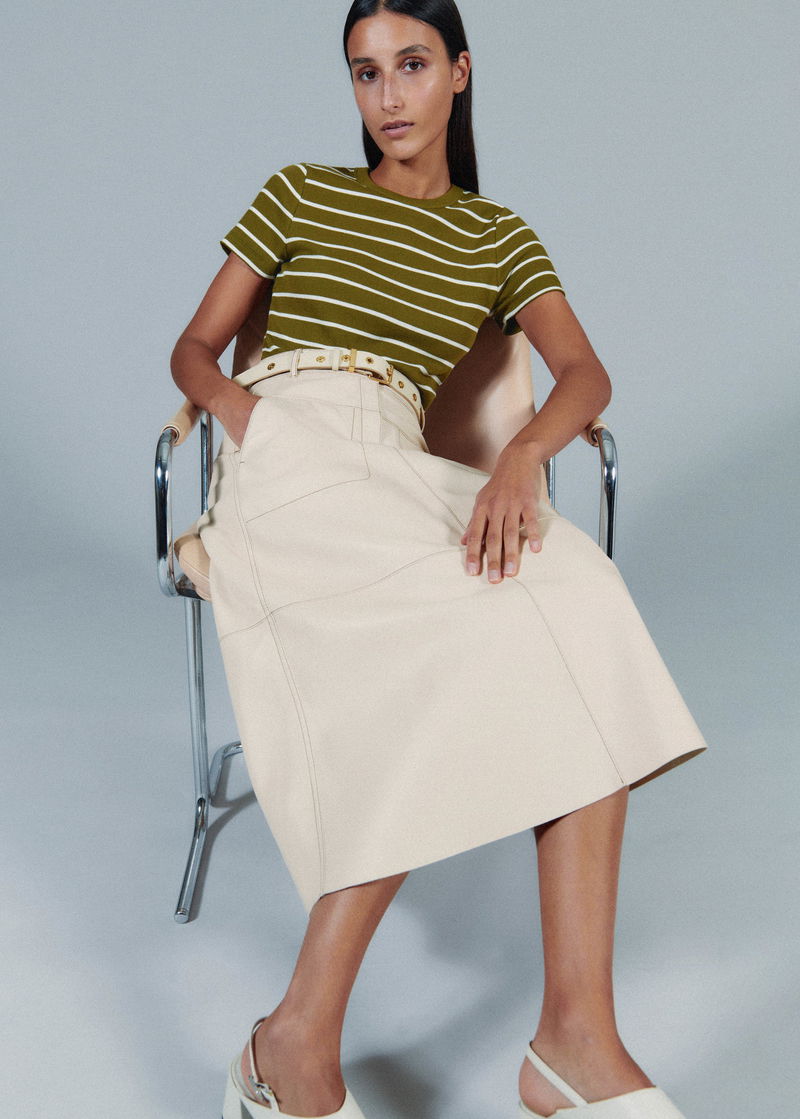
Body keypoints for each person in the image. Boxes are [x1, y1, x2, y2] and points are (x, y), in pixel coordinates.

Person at [169, 3, 708, 1116]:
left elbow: (585, 375)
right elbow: (193, 345)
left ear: (459, 72)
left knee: (581, 597)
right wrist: (238, 411)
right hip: (287, 452)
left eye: (410, 65)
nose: (388, 97)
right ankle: (293, 1041)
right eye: (365, 73)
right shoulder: (299, 192)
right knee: (452, 646)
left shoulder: (495, 235)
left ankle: (574, 1040)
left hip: (402, 465)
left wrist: (522, 457)